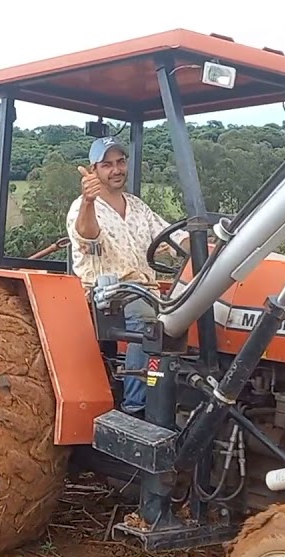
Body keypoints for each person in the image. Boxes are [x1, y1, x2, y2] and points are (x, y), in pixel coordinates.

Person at [66, 136, 186, 415]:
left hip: (146, 289)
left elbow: (175, 238)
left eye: (120, 162)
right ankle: (137, 409)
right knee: (149, 320)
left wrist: (210, 245)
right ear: (93, 170)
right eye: (107, 164)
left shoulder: (138, 207)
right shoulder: (83, 208)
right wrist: (87, 201)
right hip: (106, 292)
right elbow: (87, 236)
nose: (116, 169)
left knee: (196, 309)